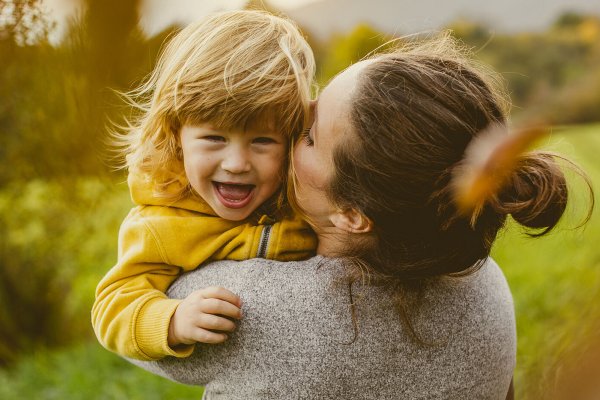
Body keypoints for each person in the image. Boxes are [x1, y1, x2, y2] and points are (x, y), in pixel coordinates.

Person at [130, 33, 592, 399]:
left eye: (307, 135)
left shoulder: (244, 305)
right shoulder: (485, 282)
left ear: (352, 214)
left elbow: (131, 313)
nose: (292, 124)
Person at [91, 10, 317, 361]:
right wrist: (172, 320)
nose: (237, 164)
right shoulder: (161, 224)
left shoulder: (305, 194)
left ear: (290, 141)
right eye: (214, 138)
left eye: (262, 141)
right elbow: (112, 306)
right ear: (176, 135)